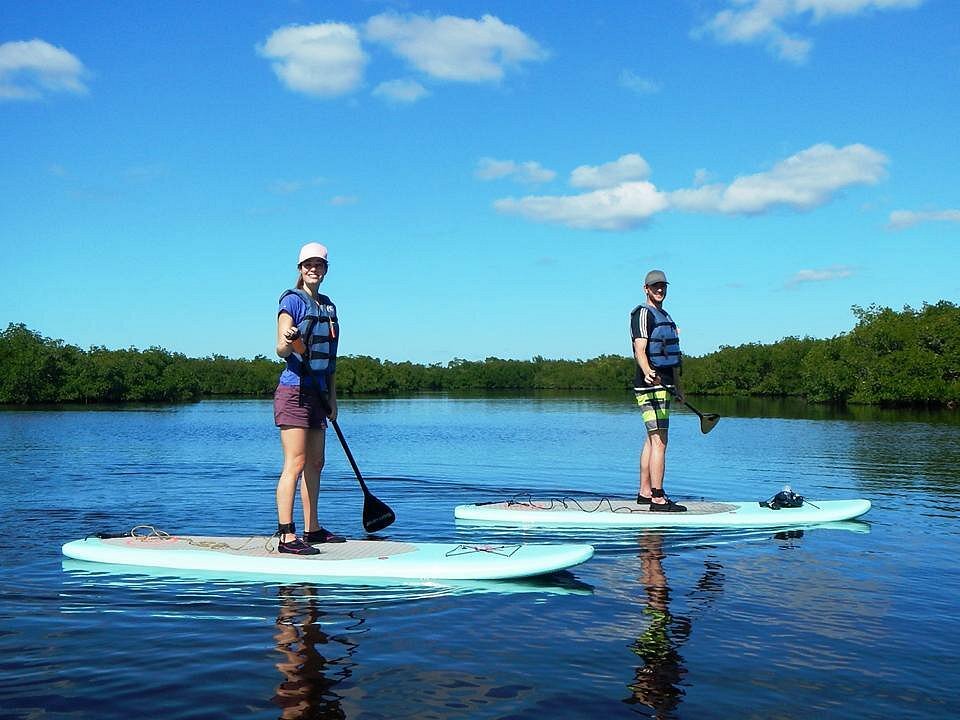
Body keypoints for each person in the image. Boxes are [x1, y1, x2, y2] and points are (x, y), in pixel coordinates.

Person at [273, 242, 346, 554]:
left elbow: (330, 361)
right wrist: (290, 341)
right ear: (300, 269)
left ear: (325, 270)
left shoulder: (329, 307)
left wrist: (333, 399)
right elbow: (280, 349)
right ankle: (286, 536)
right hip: (294, 391)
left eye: (319, 265)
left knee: (316, 462)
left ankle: (312, 529)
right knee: (297, 462)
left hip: (318, 393)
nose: (313, 269)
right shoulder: (292, 301)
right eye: (308, 265)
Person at [630, 270, 687, 512]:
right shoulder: (643, 313)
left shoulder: (665, 315)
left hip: (665, 384)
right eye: (655, 286)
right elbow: (639, 348)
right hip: (650, 385)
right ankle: (658, 498)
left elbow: (673, 359)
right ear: (646, 288)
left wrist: (679, 388)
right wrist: (646, 371)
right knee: (660, 441)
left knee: (652, 439)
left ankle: (645, 492)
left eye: (663, 286)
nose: (660, 290)